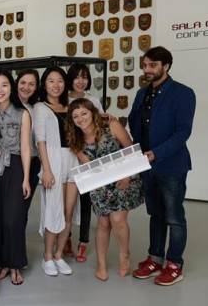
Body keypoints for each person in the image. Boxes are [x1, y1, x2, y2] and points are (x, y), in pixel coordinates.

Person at [128, 46, 196, 286]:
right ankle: (155, 259)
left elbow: (183, 132)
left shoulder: (183, 93)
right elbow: (134, 123)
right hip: (147, 165)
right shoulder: (141, 93)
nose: (147, 70)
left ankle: (174, 264)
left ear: (165, 66)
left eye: (152, 65)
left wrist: (156, 153)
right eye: (145, 65)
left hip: (172, 165)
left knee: (174, 217)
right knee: (155, 215)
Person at [66, 99, 144, 281]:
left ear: (92, 112)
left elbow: (131, 149)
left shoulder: (112, 125)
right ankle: (101, 264)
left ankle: (124, 255)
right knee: (103, 223)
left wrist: (127, 175)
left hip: (124, 177)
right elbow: (88, 166)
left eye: (84, 113)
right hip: (100, 183)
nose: (80, 118)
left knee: (117, 219)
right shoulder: (75, 139)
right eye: (75, 116)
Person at [33, 66, 79, 277]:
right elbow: (40, 141)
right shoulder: (40, 108)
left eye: (60, 80)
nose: (56, 85)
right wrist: (47, 170)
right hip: (53, 160)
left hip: (73, 159)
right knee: (54, 210)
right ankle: (48, 256)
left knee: (69, 211)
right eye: (51, 81)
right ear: (44, 84)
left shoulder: (71, 106)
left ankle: (59, 254)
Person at [0, 71, 32, 285]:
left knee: (13, 218)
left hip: (14, 166)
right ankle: (2, 262)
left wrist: (26, 178)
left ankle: (15, 264)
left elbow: (25, 147)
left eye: (4, 85)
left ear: (11, 87)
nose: (0, 90)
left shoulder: (22, 114)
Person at [65, 64, 104, 262]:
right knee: (67, 202)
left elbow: (100, 124)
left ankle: (83, 242)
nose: (81, 81)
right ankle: (67, 238)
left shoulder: (93, 100)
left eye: (85, 77)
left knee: (86, 200)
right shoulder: (64, 100)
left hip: (89, 156)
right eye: (77, 77)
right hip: (70, 154)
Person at [16, 69, 42, 221]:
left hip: (33, 163)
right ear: (16, 83)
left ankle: (19, 236)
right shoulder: (8, 106)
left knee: (24, 207)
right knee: (13, 207)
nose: (26, 87)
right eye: (23, 82)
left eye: (31, 84)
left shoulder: (35, 108)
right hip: (14, 163)